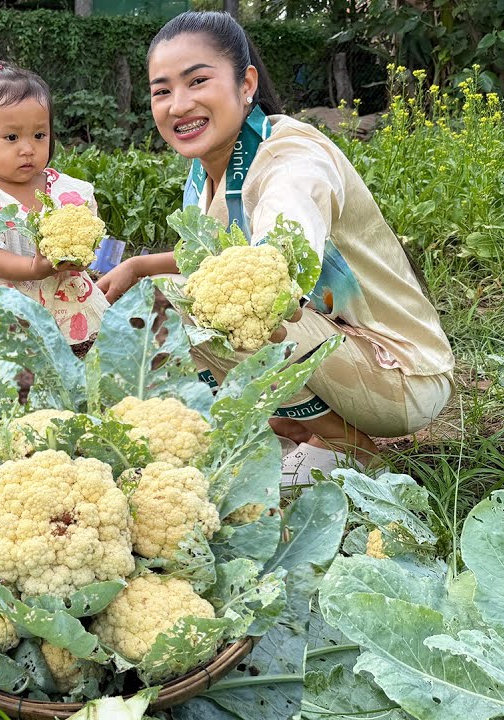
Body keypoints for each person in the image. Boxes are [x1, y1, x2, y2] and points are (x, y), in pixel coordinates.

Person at [96, 12, 454, 485]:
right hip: (335, 348)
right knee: (171, 298)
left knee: (180, 309)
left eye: (197, 81)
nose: (178, 105)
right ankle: (302, 430)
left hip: (402, 374)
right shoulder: (210, 166)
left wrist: (161, 288)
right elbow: (219, 254)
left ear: (246, 84)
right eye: (162, 91)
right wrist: (138, 266)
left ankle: (354, 449)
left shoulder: (291, 158)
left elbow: (280, 251)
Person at [0, 59, 110, 407]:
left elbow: (88, 238)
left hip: (57, 300)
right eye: (11, 137)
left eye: (39, 135)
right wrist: (36, 269)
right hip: (2, 305)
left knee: (63, 363)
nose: (28, 148)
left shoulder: (67, 192)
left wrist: (78, 256)